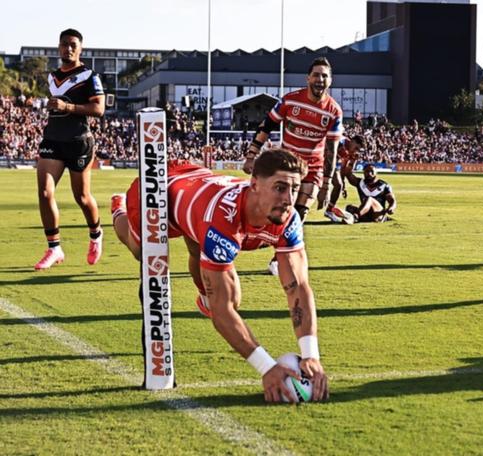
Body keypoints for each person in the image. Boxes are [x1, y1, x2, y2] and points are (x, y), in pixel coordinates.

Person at [110, 150, 329, 403]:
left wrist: (311, 354)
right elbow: (222, 312)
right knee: (143, 252)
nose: (289, 199)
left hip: (195, 185)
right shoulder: (223, 221)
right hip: (159, 190)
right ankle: (119, 210)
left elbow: (298, 287)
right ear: (255, 184)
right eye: (280, 188)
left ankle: (204, 293)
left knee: (208, 261)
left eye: (294, 189)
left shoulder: (288, 219)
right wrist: (266, 367)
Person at [242, 57, 343, 274]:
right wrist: (252, 154)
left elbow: (331, 150)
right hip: (287, 166)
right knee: (278, 210)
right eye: (316, 74)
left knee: (299, 212)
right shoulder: (290, 101)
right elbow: (267, 124)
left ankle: (278, 259)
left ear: (330, 81)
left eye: (324, 76)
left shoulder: (334, 111)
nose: (320, 79)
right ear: (308, 78)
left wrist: (326, 183)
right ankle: (263, 238)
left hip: (313, 169)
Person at [34, 28, 106, 270]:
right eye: (65, 44)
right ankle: (54, 248)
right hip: (52, 139)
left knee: (82, 197)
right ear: (59, 47)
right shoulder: (52, 77)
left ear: (81, 48)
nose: (69, 48)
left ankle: (96, 235)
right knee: (45, 193)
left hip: (78, 142)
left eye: (73, 44)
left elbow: (99, 110)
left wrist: (68, 106)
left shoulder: (89, 76)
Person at [323, 135, 365, 224]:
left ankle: (329, 210)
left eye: (358, 150)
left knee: (338, 185)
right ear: (352, 141)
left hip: (326, 164)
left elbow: (344, 169)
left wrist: (343, 185)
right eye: (356, 147)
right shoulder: (340, 142)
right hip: (319, 160)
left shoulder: (348, 151)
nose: (355, 150)